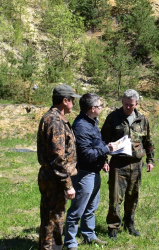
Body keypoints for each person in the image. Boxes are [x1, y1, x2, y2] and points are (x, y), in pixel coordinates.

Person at [64, 93, 117, 249]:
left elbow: (96, 144)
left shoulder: (92, 122)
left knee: (91, 207)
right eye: (100, 106)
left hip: (94, 171)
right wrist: (106, 149)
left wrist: (103, 161)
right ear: (93, 108)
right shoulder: (81, 126)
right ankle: (70, 242)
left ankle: (89, 235)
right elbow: (86, 154)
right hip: (84, 174)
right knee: (77, 210)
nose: (101, 108)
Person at [101, 89, 155, 240]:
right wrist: (104, 161)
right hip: (118, 164)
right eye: (125, 104)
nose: (128, 107)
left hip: (137, 164)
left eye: (131, 105)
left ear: (137, 103)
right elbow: (102, 141)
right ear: (122, 102)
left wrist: (150, 160)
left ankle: (129, 224)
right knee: (115, 197)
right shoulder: (113, 118)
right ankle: (113, 227)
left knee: (133, 196)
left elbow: (148, 142)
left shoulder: (142, 119)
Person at [37, 84, 79, 250]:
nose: (73, 104)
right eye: (72, 100)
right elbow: (58, 157)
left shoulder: (51, 118)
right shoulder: (55, 122)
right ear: (64, 100)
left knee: (51, 217)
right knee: (53, 219)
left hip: (53, 176)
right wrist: (68, 184)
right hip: (55, 178)